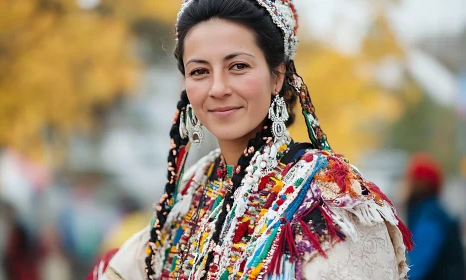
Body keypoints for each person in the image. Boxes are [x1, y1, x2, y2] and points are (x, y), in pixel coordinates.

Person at [88, 0, 413, 279]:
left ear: (278, 76)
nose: (217, 88)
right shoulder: (191, 196)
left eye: (238, 66)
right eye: (199, 71)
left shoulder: (330, 200)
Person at [404, 153, 465, 280]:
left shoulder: (430, 217)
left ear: (421, 183)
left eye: (411, 180)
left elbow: (416, 267)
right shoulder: (429, 211)